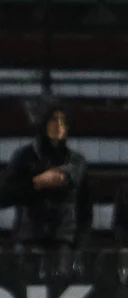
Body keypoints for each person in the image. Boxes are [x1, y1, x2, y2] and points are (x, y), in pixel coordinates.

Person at [0, 105, 91, 250]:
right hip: (29, 237)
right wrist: (36, 183)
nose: (59, 126)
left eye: (63, 121)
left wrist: (79, 242)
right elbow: (4, 195)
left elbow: (85, 206)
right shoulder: (24, 156)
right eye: (54, 120)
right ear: (44, 123)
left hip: (63, 239)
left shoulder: (76, 161)